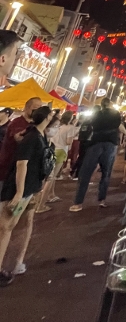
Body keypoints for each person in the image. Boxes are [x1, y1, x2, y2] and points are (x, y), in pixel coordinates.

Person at [0, 105, 54, 286]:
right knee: (5, 227)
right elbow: (21, 165)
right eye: (52, 115)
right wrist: (19, 192)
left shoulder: (39, 136)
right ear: (46, 118)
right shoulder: (31, 138)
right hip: (18, 189)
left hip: (29, 188)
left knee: (9, 226)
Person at [70, 97, 123, 212]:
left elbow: (91, 125)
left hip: (96, 142)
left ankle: (78, 202)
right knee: (106, 173)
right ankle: (102, 200)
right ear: (110, 104)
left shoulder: (97, 114)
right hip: (110, 144)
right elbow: (119, 127)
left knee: (86, 172)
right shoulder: (116, 114)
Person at [0, 97, 42, 196]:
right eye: (35, 108)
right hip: (7, 168)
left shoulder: (33, 124)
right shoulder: (17, 122)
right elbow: (18, 137)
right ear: (26, 108)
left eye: (40, 108)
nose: (37, 111)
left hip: (21, 172)